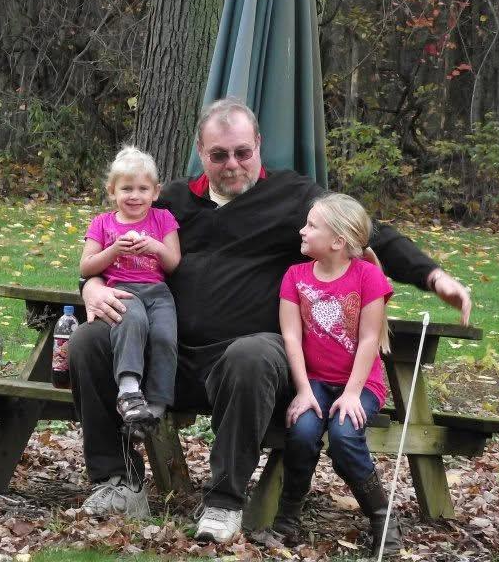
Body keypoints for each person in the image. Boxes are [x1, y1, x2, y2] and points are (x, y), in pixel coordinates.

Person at [70, 98, 472, 539]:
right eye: (219, 155)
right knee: (90, 341)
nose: (232, 165)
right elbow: (110, 255)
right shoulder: (170, 201)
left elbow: (372, 233)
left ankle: (223, 502)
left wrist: (434, 277)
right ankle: (119, 481)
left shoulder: (294, 197)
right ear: (201, 153)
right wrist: (90, 287)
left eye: (243, 152)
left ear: (259, 145)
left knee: (252, 353)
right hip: (168, 355)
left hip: (251, 363)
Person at [272, 192, 401, 553]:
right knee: (302, 431)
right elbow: (291, 336)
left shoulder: (367, 277)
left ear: (338, 241)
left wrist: (350, 393)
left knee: (344, 436)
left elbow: (369, 339)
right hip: (312, 382)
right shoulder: (295, 276)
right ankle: (286, 521)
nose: (302, 230)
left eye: (311, 225)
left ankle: (382, 520)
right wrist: (302, 390)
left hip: (360, 384)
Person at [79, 146, 180, 439]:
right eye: (126, 189)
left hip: (158, 292)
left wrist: (155, 247)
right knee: (131, 323)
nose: (134, 196)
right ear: (112, 191)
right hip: (121, 289)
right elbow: (86, 267)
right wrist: (113, 250)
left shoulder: (163, 220)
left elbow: (173, 263)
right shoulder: (103, 223)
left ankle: (156, 407)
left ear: (155, 192)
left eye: (142, 189)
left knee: (164, 336)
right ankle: (129, 391)